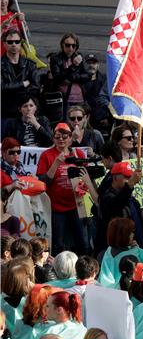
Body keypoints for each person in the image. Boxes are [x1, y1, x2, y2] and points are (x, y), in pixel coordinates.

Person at [35, 123, 90, 255]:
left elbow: (88, 178)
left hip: (77, 205)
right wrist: (56, 164)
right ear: (53, 138)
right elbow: (42, 183)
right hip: (56, 208)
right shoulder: (46, 155)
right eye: (57, 137)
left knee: (83, 242)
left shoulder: (79, 153)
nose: (61, 140)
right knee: (57, 244)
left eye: (64, 136)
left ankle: (85, 269)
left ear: (70, 138)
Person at [1, 29, 39, 120]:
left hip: (25, 112)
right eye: (10, 42)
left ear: (21, 43)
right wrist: (23, 84)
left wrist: (14, 89)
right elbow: (2, 87)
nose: (14, 44)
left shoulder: (30, 64)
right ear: (4, 44)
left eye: (17, 41)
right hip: (5, 111)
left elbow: (36, 87)